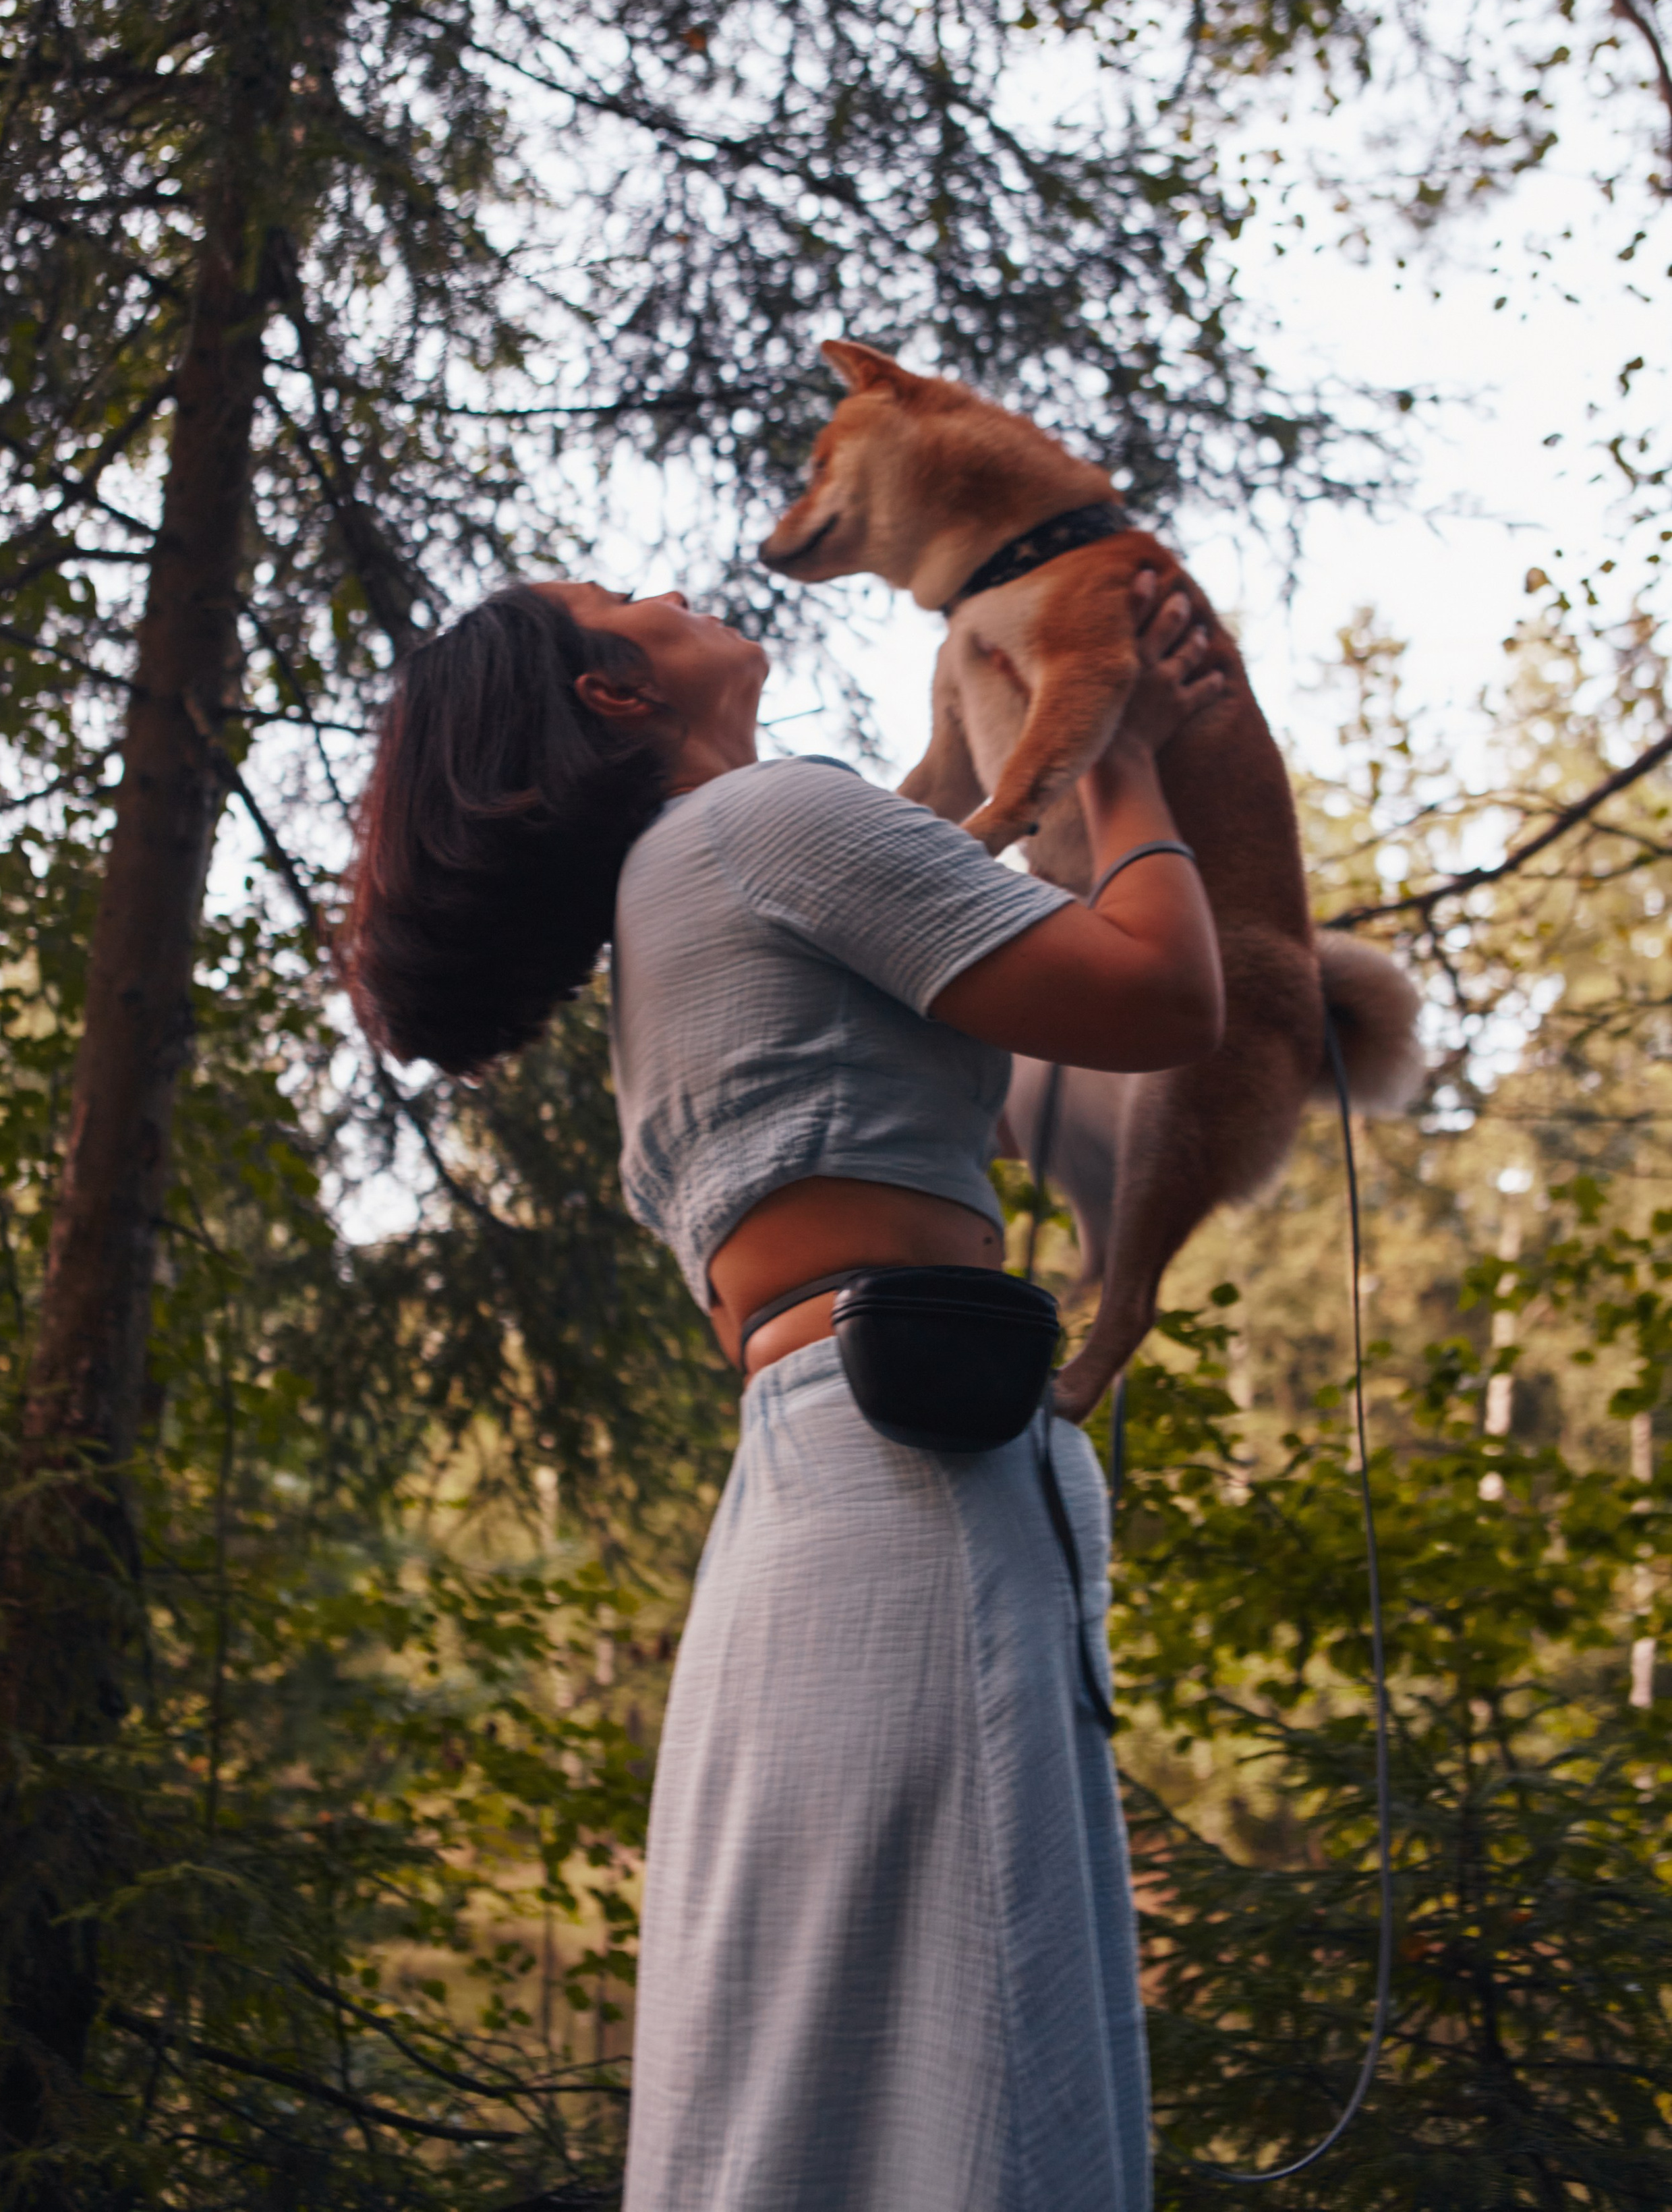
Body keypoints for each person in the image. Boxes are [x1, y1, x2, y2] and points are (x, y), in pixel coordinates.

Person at [342, 566, 1224, 2212]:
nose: (665, 584)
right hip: (909, 1485)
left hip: (815, 1486)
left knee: (813, 2071)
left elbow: (1002, 1038)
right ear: (615, 694)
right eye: (618, 593)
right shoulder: (765, 821)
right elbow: (1163, 998)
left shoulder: (673, 905)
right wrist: (1117, 750)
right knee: (969, 2059)